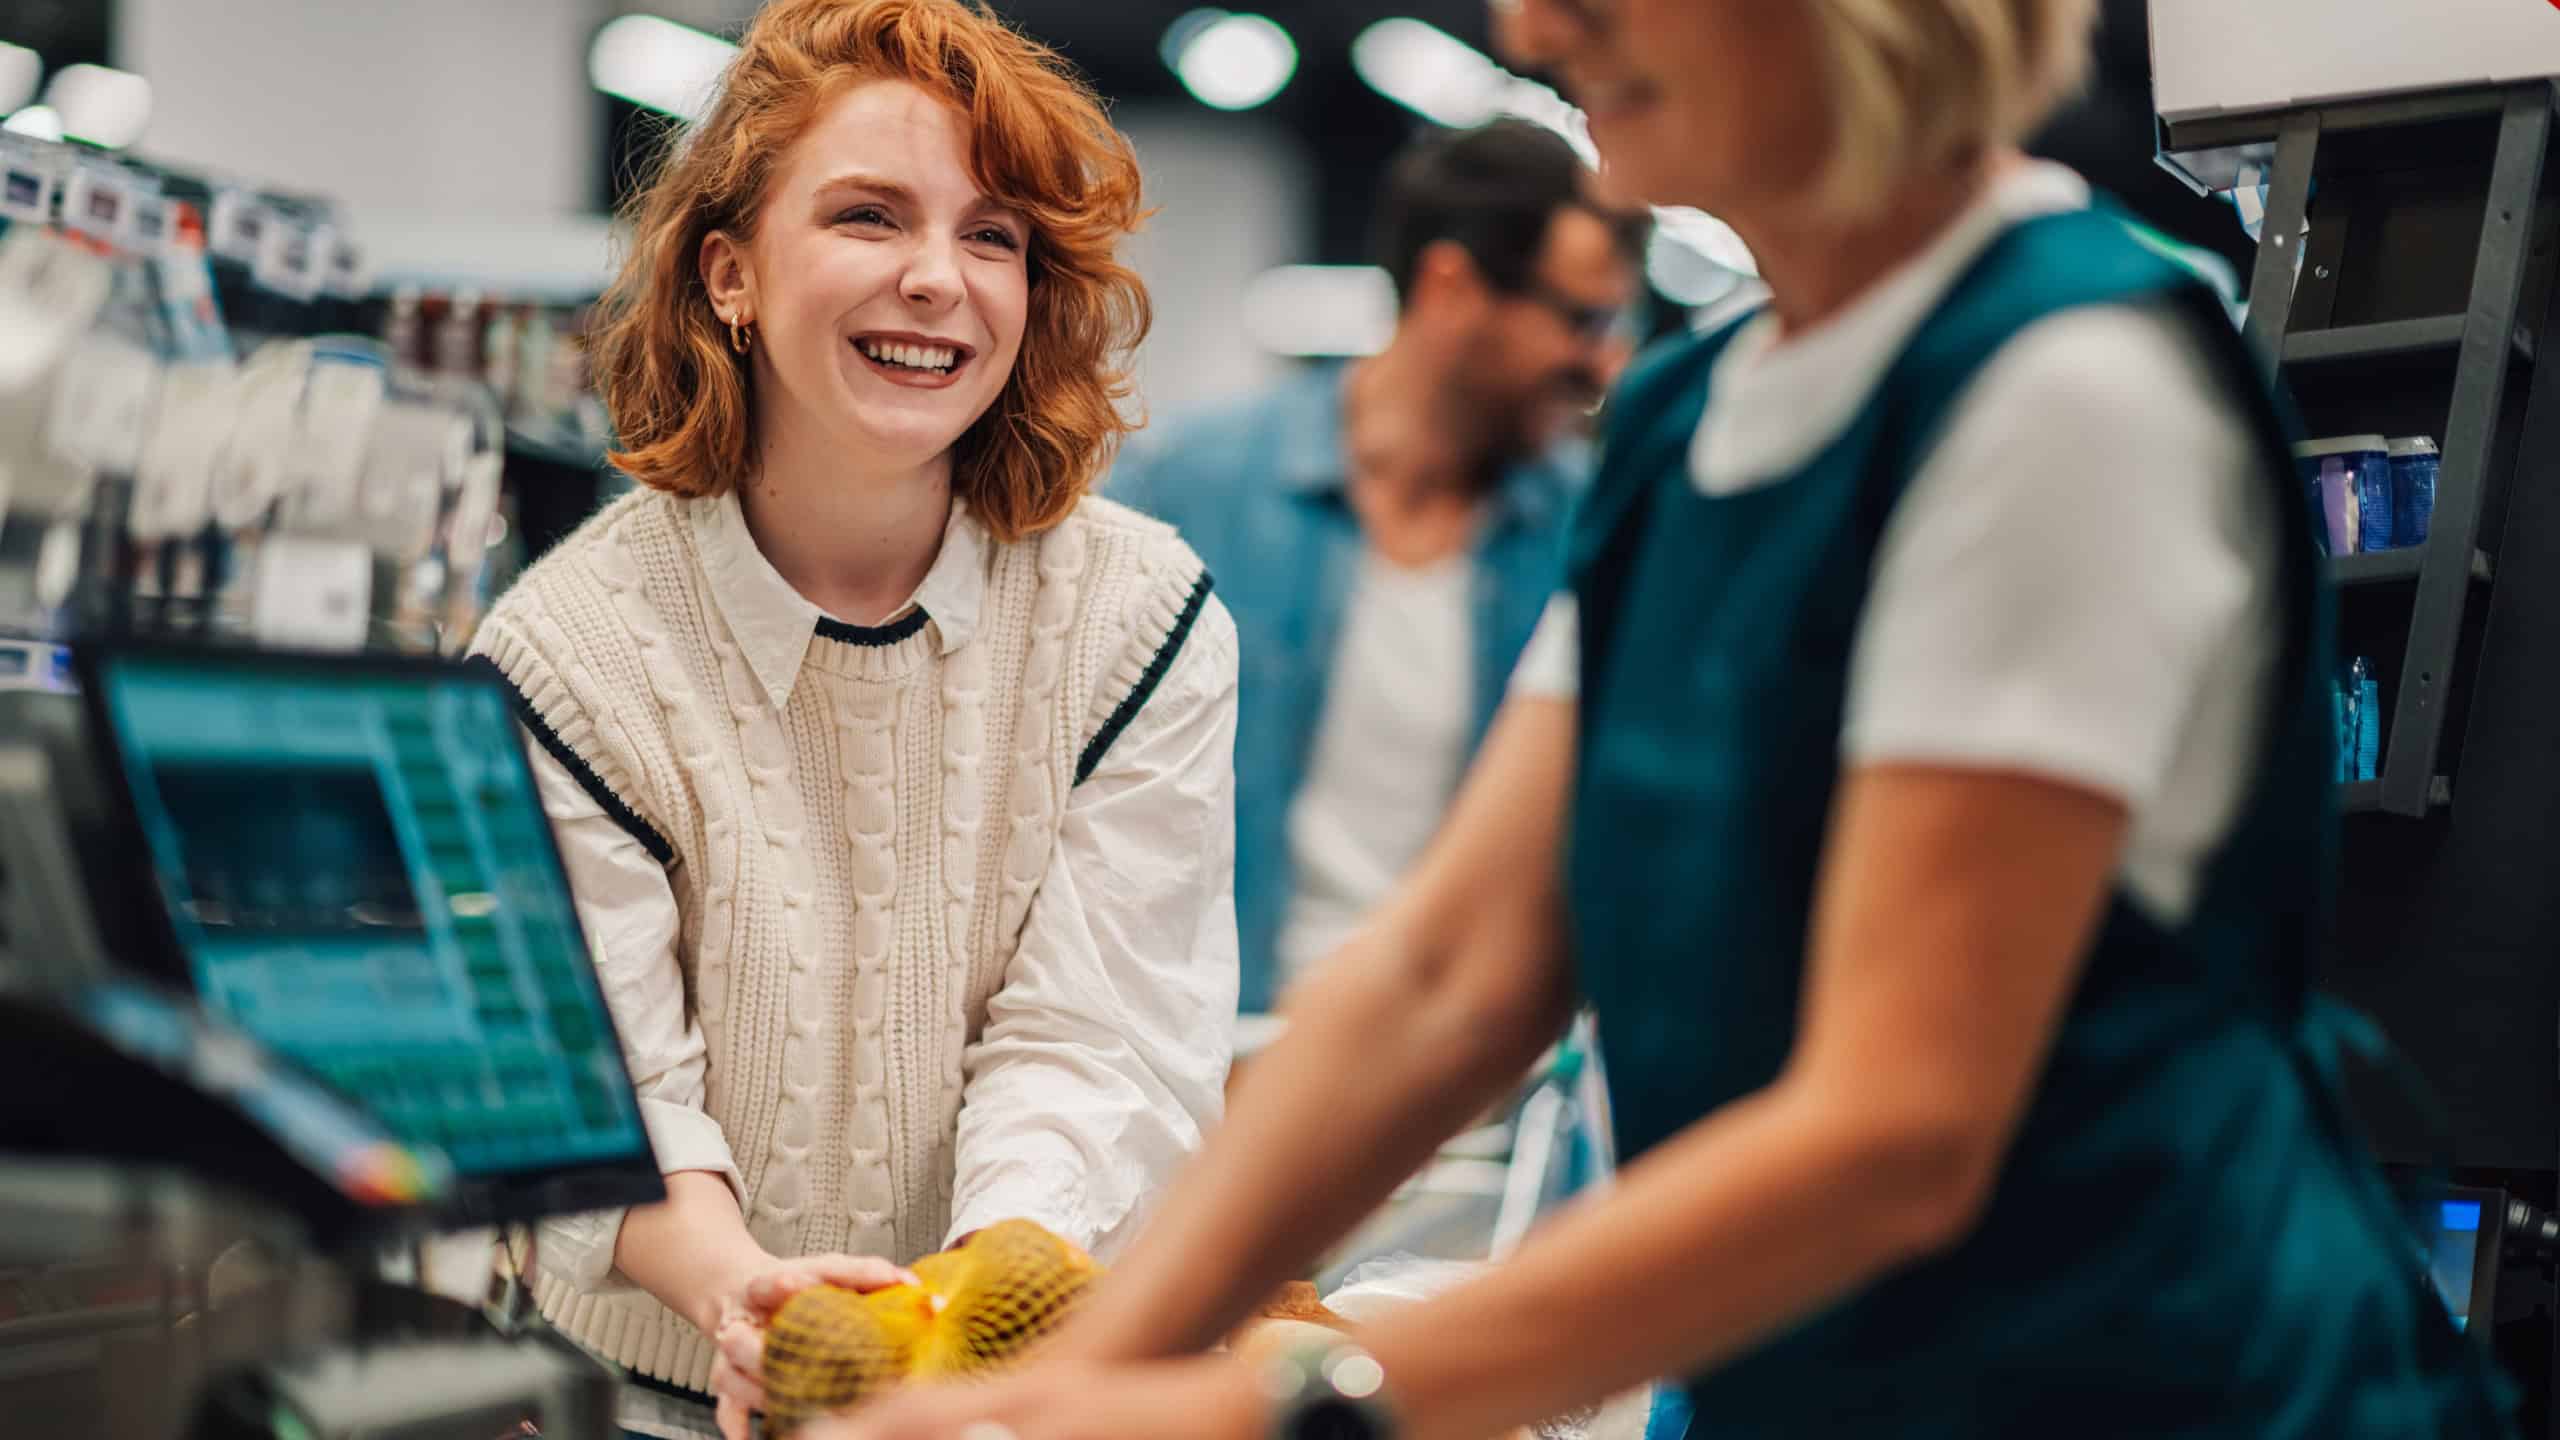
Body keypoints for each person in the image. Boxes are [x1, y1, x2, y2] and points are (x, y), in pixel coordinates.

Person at [822, 1, 2513, 1439]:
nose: (1534, 29)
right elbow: (1452, 977)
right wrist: (1070, 1382)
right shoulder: (1688, 411)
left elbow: (1893, 1133)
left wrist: (1286, 1400)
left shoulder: (2062, 387)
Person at [464, 4, 1238, 1438]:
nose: (937, 281)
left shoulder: (1141, 615)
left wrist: (960, 1318)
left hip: (1006, 1397)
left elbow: (1097, 1034)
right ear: (732, 274)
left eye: (993, 235)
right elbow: (610, 1086)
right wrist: (743, 1297)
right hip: (647, 1400)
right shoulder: (565, 654)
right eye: (870, 218)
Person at [1111, 120, 1644, 1014]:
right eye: (1581, 320)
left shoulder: (1590, 534)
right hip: (1213, 1051)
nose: (1603, 362)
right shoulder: (1185, 493)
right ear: (1449, 287)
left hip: (1452, 1074)